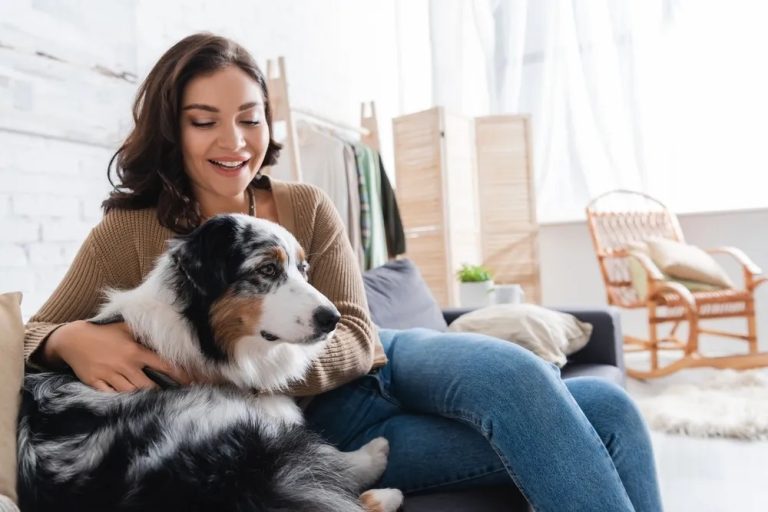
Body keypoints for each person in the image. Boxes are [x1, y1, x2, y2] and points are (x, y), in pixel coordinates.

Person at [24, 33, 663, 512]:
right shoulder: (128, 231)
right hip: (321, 427)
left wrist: (246, 367)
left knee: (519, 372)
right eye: (205, 121)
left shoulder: (304, 204)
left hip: (390, 360)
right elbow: (27, 335)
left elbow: (359, 334)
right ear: (172, 128)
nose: (235, 141)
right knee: (606, 407)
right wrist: (64, 339)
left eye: (250, 117)